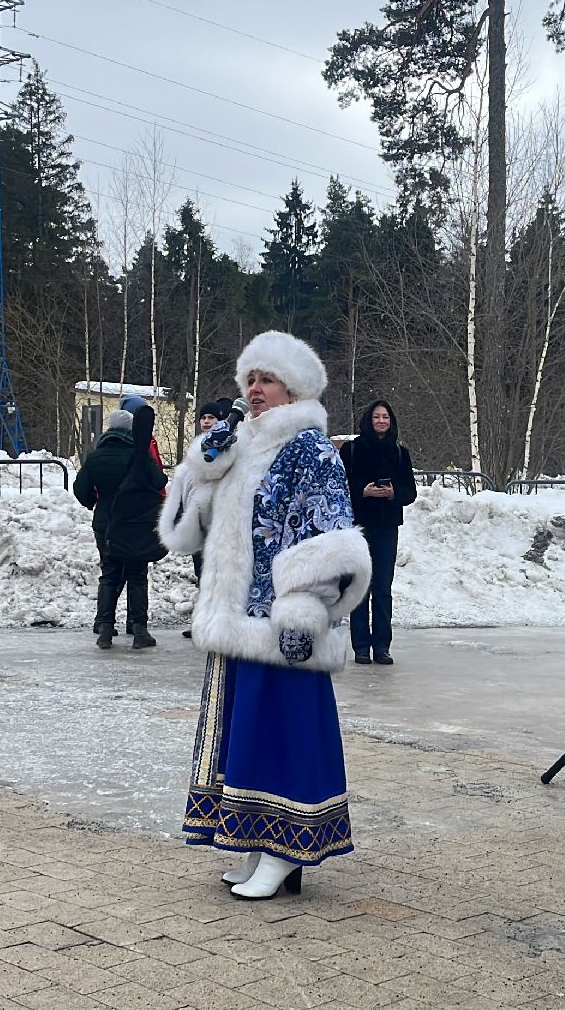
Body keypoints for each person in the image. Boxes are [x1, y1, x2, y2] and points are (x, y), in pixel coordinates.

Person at [159, 331, 371, 900]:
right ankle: (257, 840)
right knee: (244, 733)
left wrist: (303, 610)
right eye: (249, 378)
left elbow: (328, 536)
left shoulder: (309, 449)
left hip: (280, 622)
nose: (254, 389)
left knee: (283, 730)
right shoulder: (240, 446)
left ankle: (286, 850)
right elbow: (186, 533)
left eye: (267, 379)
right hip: (235, 619)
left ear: (292, 389)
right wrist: (201, 467)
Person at [75, 407, 158, 648]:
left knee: (109, 574)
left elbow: (81, 489)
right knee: (137, 575)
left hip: (105, 524)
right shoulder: (139, 455)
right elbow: (159, 481)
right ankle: (139, 630)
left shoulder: (95, 456)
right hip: (134, 522)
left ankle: (105, 629)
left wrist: (95, 503)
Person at [339, 399, 415, 665]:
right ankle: (361, 646)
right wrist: (363, 491)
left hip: (387, 527)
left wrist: (394, 493)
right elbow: (340, 487)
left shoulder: (400, 453)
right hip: (359, 527)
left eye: (385, 417)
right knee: (359, 586)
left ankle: (382, 646)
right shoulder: (351, 450)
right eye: (376, 417)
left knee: (382, 588)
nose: (381, 421)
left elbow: (410, 492)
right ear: (368, 420)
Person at [183, 397, 232, 639]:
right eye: (203, 417)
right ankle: (201, 622)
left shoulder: (227, 448)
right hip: (198, 519)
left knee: (219, 575)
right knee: (201, 573)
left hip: (219, 519)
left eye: (211, 417)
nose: (206, 421)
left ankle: (218, 622)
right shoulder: (197, 448)